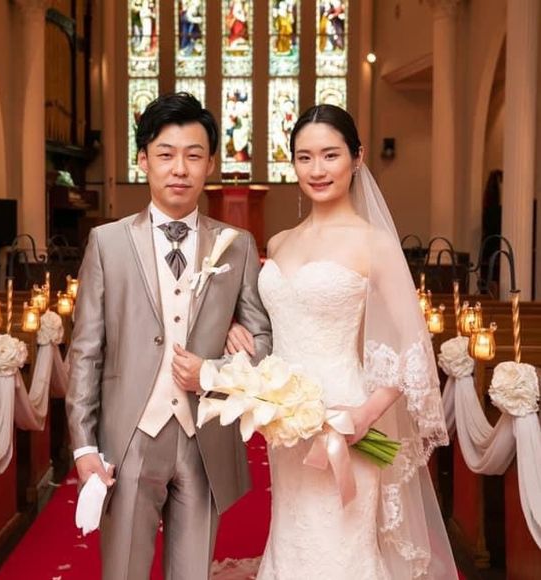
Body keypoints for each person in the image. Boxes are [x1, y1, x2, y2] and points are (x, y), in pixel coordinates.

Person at [227, 104, 457, 579]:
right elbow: (273, 325)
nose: (317, 169)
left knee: (341, 545)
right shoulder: (281, 241)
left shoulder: (374, 243)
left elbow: (414, 348)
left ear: (357, 157)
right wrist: (236, 334)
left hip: (346, 417)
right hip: (285, 423)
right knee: (293, 535)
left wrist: (364, 415)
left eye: (330, 155)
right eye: (304, 157)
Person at [66, 92, 271, 580]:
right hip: (129, 437)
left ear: (210, 164)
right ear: (143, 160)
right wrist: (83, 445)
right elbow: (86, 351)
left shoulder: (238, 246)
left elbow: (263, 343)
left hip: (206, 438)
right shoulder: (107, 242)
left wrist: (214, 370)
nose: (180, 168)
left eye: (194, 156)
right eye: (165, 154)